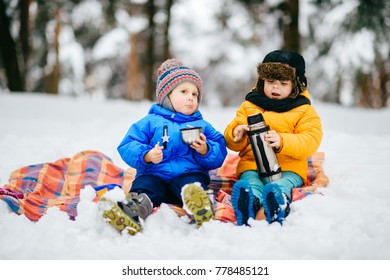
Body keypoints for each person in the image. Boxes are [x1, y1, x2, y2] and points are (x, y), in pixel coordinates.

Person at [116, 58, 227, 229]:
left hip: (188, 173)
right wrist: (147, 155)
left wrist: (206, 149)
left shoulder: (201, 125)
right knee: (145, 186)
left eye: (195, 94)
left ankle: (200, 204)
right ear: (167, 96)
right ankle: (133, 210)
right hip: (155, 173)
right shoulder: (151, 121)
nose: (191, 98)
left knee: (193, 184)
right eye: (184, 92)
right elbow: (128, 144)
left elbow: (220, 149)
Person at [224, 50, 323, 225]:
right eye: (270, 82)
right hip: (253, 164)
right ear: (262, 81)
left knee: (281, 184)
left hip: (289, 167)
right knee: (250, 181)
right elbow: (232, 138)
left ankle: (277, 202)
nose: (275, 87)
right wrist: (237, 135)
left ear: (296, 85)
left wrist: (282, 141)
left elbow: (310, 140)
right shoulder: (249, 105)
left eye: (283, 83)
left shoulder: (304, 110)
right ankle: (249, 202)